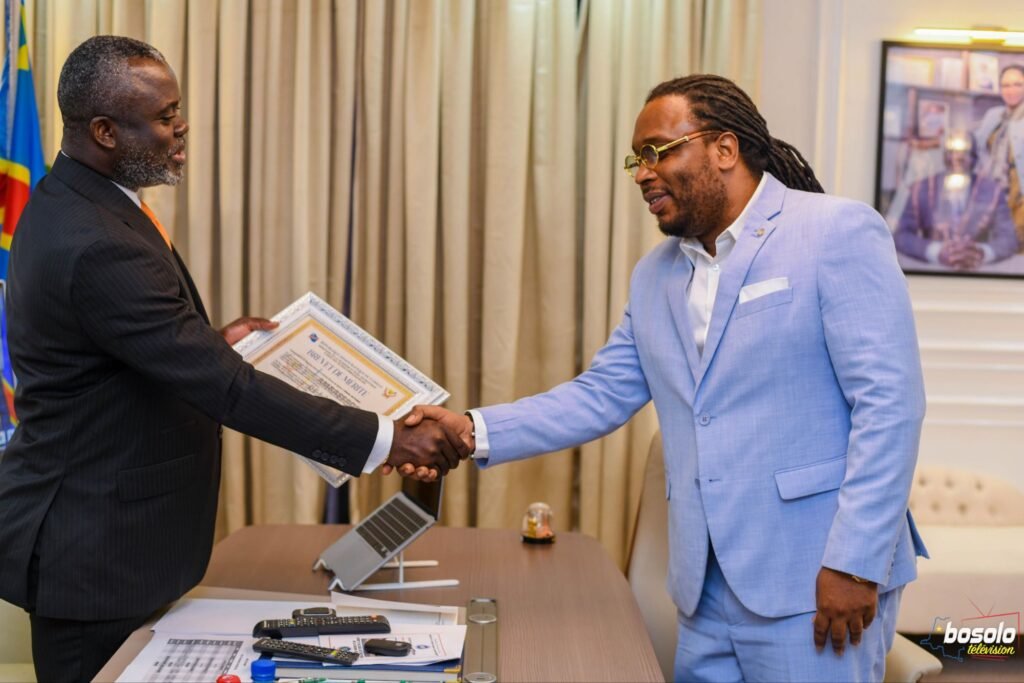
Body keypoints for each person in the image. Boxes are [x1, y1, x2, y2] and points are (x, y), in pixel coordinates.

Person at [401, 74, 928, 682]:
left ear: (724, 149)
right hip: (703, 589)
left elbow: (890, 406)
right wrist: (471, 430)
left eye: (657, 152)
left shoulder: (835, 231)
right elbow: (600, 395)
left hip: (814, 580)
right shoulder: (655, 275)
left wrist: (855, 564)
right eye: (637, 159)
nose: (642, 174)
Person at [0, 36, 467, 683]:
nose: (182, 126)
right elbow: (229, 390)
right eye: (164, 116)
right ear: (105, 131)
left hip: (114, 543)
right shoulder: (94, 237)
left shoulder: (79, 201)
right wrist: (389, 436)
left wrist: (209, 343)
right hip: (96, 557)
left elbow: (119, 354)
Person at [895, 138, 1019, 269]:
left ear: (975, 158)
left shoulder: (992, 190)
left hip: (978, 272)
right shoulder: (922, 188)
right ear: (944, 156)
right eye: (952, 152)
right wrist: (937, 251)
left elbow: (1009, 238)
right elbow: (902, 235)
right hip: (931, 272)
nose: (958, 158)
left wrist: (979, 252)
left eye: (965, 152)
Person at [973, 63, 1024, 250]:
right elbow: (976, 146)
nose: (1011, 90)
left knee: (1017, 249)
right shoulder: (993, 115)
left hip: (1019, 198)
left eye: (1018, 84)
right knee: (993, 248)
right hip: (993, 194)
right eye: (1006, 85)